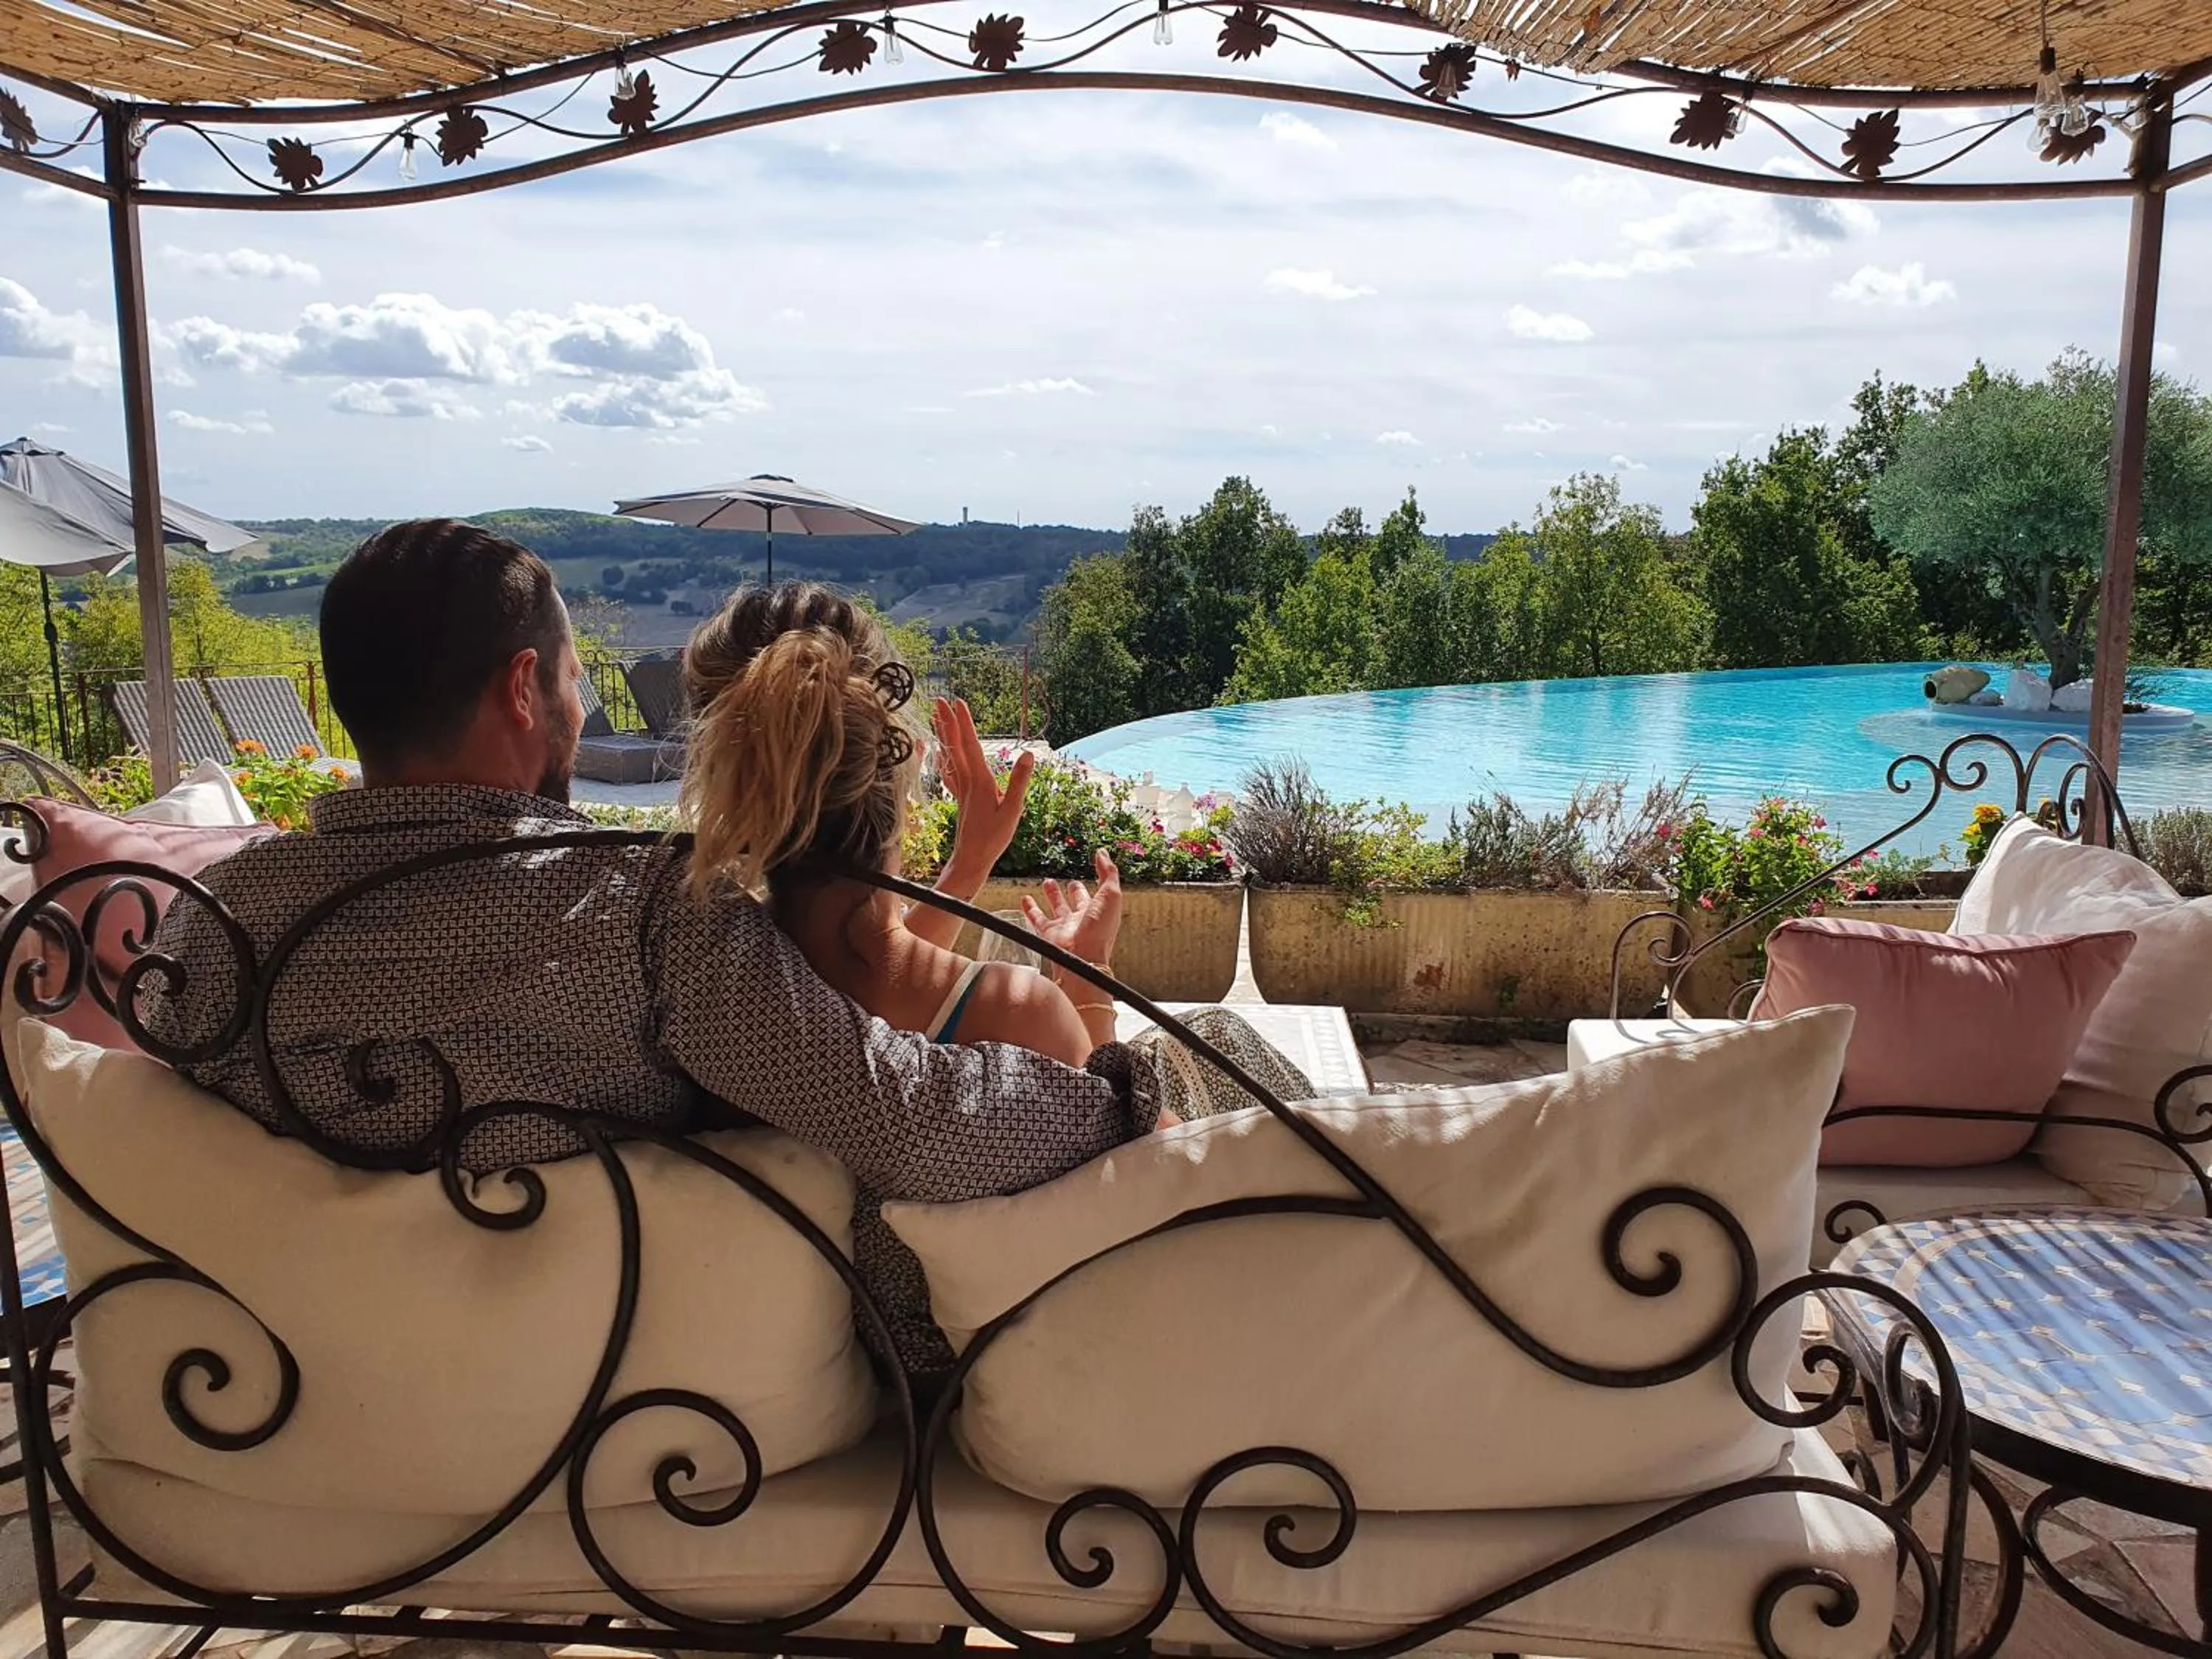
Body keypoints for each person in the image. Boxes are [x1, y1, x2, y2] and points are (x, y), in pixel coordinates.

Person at [139, 518, 1161, 1377]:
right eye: (574, 680)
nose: (580, 709)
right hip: (607, 1412)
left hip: (293, 1388)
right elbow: (904, 1117)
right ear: (524, 688)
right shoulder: (643, 908)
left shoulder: (216, 924)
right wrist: (1113, 1090)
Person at [678, 582, 1314, 1116]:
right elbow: (1143, 1160)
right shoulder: (1015, 1013)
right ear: (904, 757)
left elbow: (863, 979)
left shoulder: (711, 977)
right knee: (1219, 1038)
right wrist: (1088, 986)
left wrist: (969, 866)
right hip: (1101, 1221)